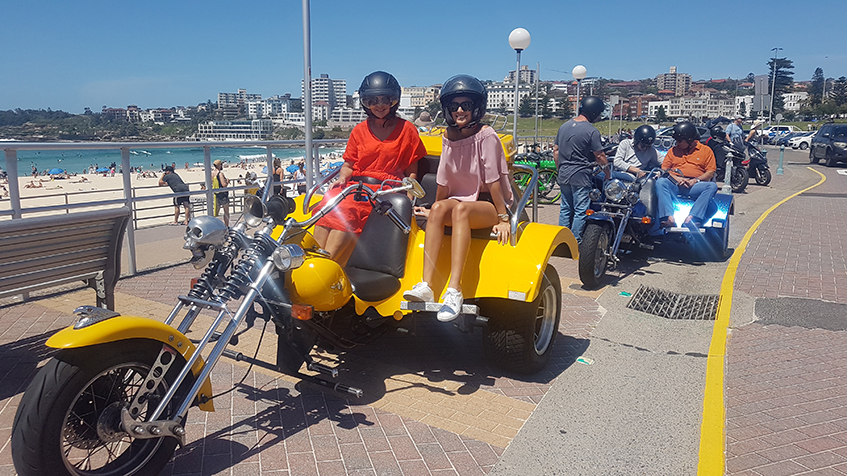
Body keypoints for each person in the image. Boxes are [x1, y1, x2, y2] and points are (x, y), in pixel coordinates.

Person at [403, 74, 513, 322]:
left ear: (477, 108)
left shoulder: (487, 136)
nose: (460, 110)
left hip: (489, 203)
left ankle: (455, 290)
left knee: (461, 211)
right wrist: (434, 210)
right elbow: (444, 179)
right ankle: (426, 286)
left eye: (466, 105)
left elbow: (494, 181)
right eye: (455, 106)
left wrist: (504, 217)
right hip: (462, 199)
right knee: (442, 207)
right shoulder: (448, 136)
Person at [311, 71, 426, 266]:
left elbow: (411, 170)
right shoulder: (359, 130)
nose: (379, 105)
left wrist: (409, 195)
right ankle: (312, 261)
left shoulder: (407, 129)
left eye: (385, 99)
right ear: (366, 103)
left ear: (394, 101)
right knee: (327, 205)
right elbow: (348, 165)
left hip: (386, 187)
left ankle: (326, 265)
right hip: (357, 184)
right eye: (373, 101)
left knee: (347, 210)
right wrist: (341, 180)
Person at [554, 96, 609, 243]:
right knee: (580, 210)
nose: (598, 117)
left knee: (565, 208)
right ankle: (574, 241)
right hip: (580, 175)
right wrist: (607, 173)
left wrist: (560, 168)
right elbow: (600, 156)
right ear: (593, 112)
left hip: (564, 173)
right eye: (598, 114)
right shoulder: (592, 131)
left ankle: (562, 241)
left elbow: (556, 151)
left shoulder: (563, 126)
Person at [656, 122, 718, 228]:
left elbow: (710, 172)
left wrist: (694, 180)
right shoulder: (673, 151)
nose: (677, 143)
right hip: (674, 183)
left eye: (679, 141)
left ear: (689, 140)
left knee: (712, 186)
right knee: (661, 182)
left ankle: (692, 218)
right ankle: (669, 218)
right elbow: (664, 169)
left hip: (694, 185)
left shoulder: (706, 151)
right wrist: (677, 179)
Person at [211, 159, 230, 227]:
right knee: (226, 212)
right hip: (223, 194)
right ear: (219, 165)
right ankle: (226, 226)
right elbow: (224, 185)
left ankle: (214, 226)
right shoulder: (220, 174)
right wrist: (227, 181)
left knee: (216, 212)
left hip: (216, 194)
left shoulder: (212, 173)